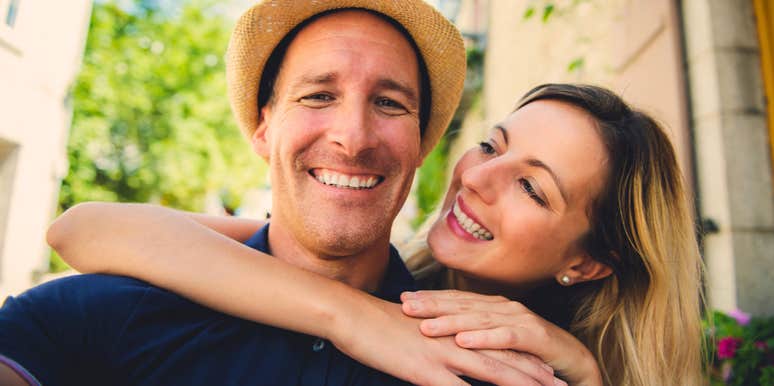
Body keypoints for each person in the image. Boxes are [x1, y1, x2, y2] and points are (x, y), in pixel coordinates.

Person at [0, 1, 554, 385]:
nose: (353, 138)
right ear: (264, 128)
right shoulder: (97, 314)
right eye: (318, 95)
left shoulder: (490, 367)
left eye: (390, 103)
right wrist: (349, 315)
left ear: (421, 143)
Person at [49, 84, 706, 386]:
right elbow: (86, 228)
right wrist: (354, 318)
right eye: (489, 146)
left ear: (589, 263)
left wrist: (588, 376)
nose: (477, 177)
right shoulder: (378, 277)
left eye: (531, 187)